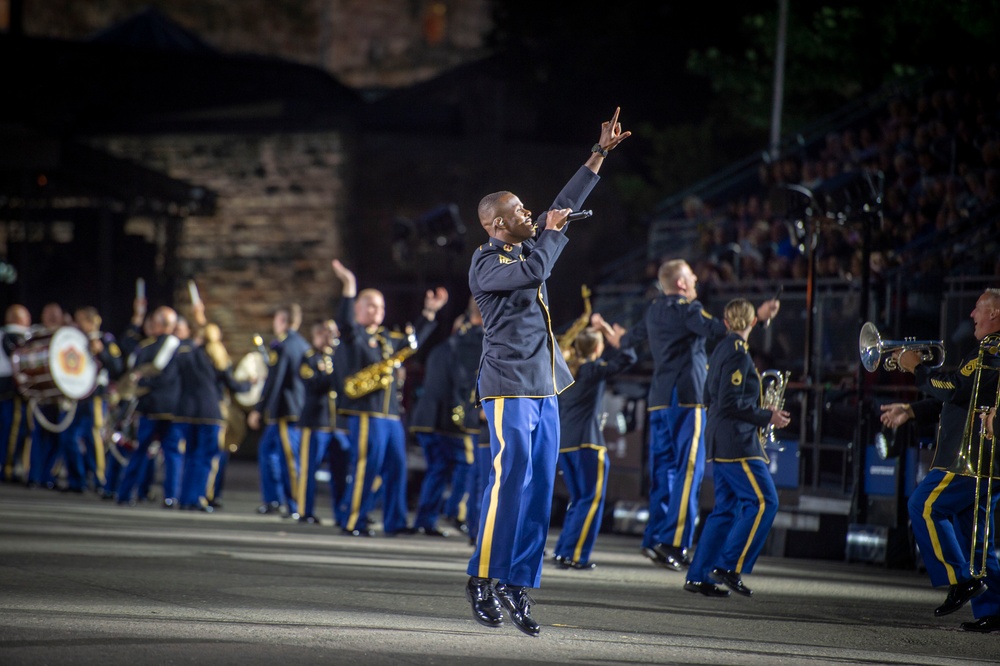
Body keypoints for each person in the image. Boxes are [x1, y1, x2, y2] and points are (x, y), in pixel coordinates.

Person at [464, 107, 630, 637]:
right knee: (509, 479)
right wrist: (553, 233)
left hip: (544, 385)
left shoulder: (529, 243)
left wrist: (598, 154)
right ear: (497, 224)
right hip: (508, 386)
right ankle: (483, 577)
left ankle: (518, 583)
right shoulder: (487, 262)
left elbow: (561, 207)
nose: (529, 212)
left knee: (538, 489)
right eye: (518, 211)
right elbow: (537, 266)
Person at [625, 259, 779, 571]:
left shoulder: (653, 309)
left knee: (663, 471)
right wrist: (757, 318)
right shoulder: (689, 309)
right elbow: (716, 329)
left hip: (658, 400)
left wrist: (610, 334)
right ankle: (674, 542)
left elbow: (628, 339)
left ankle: (654, 537)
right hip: (687, 398)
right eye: (692, 277)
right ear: (681, 284)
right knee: (688, 469)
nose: (696, 280)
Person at [886, 287, 1000, 632]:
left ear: (995, 313)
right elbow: (957, 400)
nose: (972, 316)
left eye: (978, 309)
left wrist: (917, 368)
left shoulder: (992, 349)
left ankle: (958, 579)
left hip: (968, 460)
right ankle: (993, 610)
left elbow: (952, 389)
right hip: (985, 463)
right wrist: (911, 409)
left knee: (923, 505)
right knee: (977, 541)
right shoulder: (987, 350)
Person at [330, 259, 447, 536]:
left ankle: (394, 522)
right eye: (371, 305)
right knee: (366, 467)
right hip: (366, 413)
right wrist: (349, 286)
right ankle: (353, 521)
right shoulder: (352, 335)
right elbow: (344, 322)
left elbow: (411, 345)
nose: (377, 311)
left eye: (381, 306)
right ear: (358, 308)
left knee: (397, 468)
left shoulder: (386, 337)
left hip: (392, 415)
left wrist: (428, 314)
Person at [683, 298, 790, 597]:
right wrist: (768, 415)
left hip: (720, 439)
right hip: (737, 443)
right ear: (753, 323)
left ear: (727, 323)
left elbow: (709, 395)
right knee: (765, 501)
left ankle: (699, 575)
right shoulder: (737, 355)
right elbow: (730, 402)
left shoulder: (719, 349)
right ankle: (729, 566)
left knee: (725, 510)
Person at [552, 313, 636, 570]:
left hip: (564, 444)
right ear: (598, 348)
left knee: (578, 500)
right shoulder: (591, 370)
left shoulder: (566, 371)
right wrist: (610, 331)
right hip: (587, 443)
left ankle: (563, 550)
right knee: (590, 500)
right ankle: (576, 555)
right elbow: (628, 358)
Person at [409, 300, 484, 537]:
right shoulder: (469, 344)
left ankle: (426, 520)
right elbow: (464, 384)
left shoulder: (443, 346)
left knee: (438, 469)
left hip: (425, 418)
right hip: (445, 421)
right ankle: (455, 513)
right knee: (467, 466)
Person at [115, 306, 181, 505]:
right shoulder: (177, 346)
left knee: (141, 451)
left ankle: (125, 494)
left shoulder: (147, 347)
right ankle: (171, 496)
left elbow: (137, 371)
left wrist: (142, 384)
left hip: (150, 406)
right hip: (171, 409)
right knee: (172, 454)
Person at [247, 304, 309, 517]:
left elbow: (274, 381)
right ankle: (274, 500)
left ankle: (294, 505)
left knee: (289, 461)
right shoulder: (302, 344)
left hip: (285, 411)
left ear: (282, 320)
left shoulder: (282, 346)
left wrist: (259, 409)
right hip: (294, 409)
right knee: (268, 453)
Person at [60, 307, 125, 492]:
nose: (76, 324)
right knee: (68, 437)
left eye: (80, 321)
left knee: (94, 438)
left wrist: (102, 352)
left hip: (95, 397)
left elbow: (117, 367)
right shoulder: (72, 339)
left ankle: (99, 479)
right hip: (75, 396)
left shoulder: (105, 339)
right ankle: (77, 480)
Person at [296, 321, 339, 525]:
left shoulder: (336, 357)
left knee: (340, 471)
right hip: (315, 423)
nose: (329, 337)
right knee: (309, 468)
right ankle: (305, 511)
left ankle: (341, 513)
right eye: (325, 333)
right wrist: (335, 374)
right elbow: (314, 386)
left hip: (336, 425)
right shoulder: (309, 359)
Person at [1, 305, 31, 483]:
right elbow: (17, 357)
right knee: (12, 431)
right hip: (12, 390)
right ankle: (8, 468)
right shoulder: (16, 335)